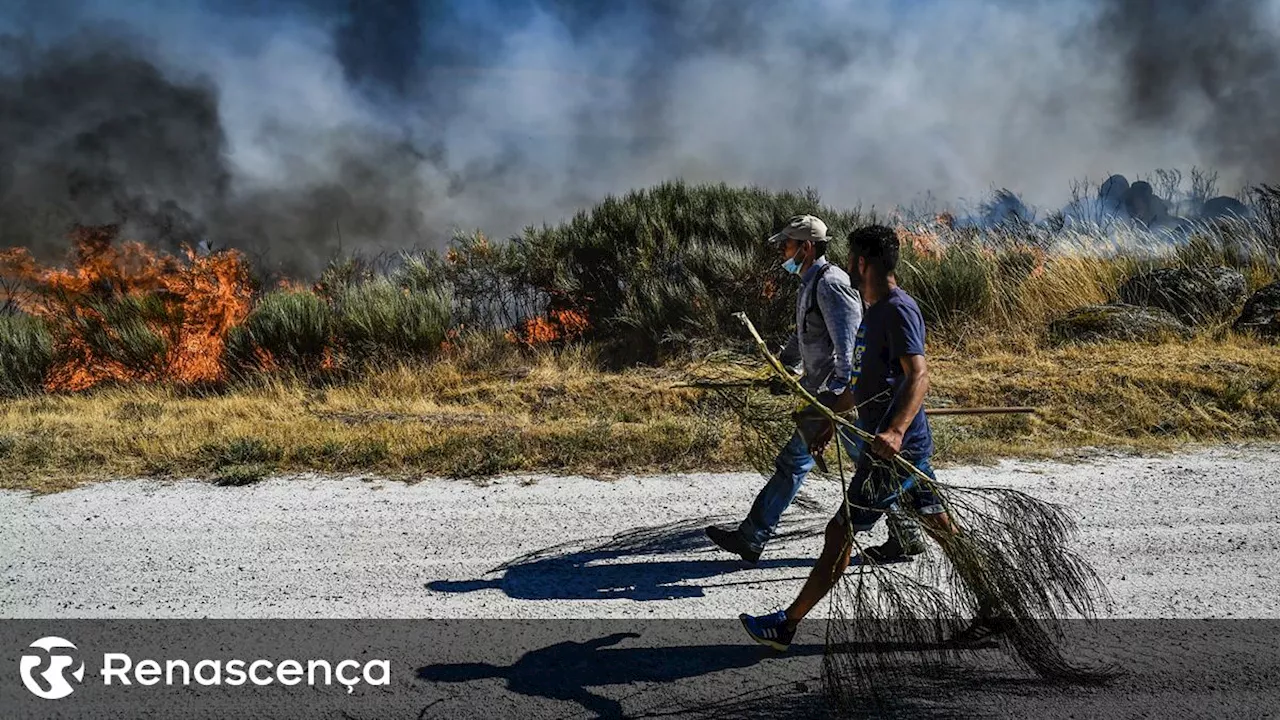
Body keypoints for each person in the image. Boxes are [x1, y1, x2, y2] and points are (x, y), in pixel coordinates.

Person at [737, 224, 994, 651]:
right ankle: (995, 604)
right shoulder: (872, 311)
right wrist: (825, 417)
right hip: (904, 449)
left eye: (851, 259)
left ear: (861, 262)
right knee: (942, 527)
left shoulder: (897, 309)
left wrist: (894, 431)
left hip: (892, 453)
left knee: (839, 533)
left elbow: (919, 375)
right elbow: (862, 385)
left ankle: (786, 624)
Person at [704, 214, 862, 564]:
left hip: (839, 397)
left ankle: (752, 537)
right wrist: (785, 366)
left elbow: (848, 352)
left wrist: (831, 405)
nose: (781, 251)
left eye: (787, 245)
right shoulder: (810, 281)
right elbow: (803, 333)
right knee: (870, 466)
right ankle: (906, 533)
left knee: (858, 467)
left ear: (806, 247)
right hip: (821, 392)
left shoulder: (832, 284)